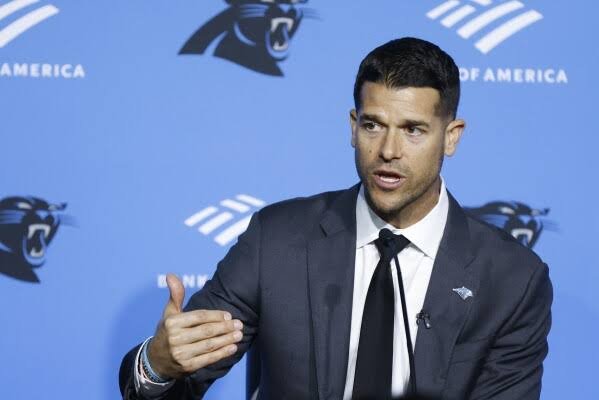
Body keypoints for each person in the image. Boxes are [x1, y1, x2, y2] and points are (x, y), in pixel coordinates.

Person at [119, 37, 552, 400]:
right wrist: (157, 365)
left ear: (451, 137)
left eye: (413, 130)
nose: (388, 151)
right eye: (373, 125)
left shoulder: (511, 279)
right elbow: (174, 383)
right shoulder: (278, 241)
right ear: (352, 126)